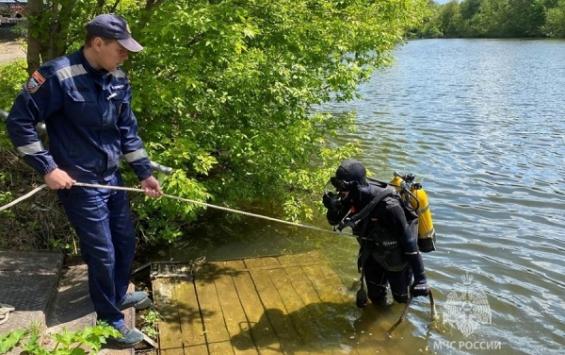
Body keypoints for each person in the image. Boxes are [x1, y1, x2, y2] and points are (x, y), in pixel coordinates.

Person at [5, 14, 161, 348]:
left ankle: (117, 294)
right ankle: (109, 319)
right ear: (98, 43)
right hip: (80, 183)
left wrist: (145, 173)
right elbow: (19, 122)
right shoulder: (56, 75)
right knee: (101, 251)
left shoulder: (117, 77)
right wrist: (47, 167)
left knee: (124, 242)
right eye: (121, 49)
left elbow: (127, 132)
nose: (125, 56)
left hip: (111, 178)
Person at [323, 159, 430, 307]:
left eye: (342, 186)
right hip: (371, 254)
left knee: (400, 300)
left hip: (396, 259)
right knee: (376, 298)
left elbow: (410, 242)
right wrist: (332, 208)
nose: (339, 191)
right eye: (337, 185)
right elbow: (334, 222)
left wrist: (421, 279)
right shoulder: (351, 197)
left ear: (355, 185)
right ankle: (381, 319)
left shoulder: (389, 206)